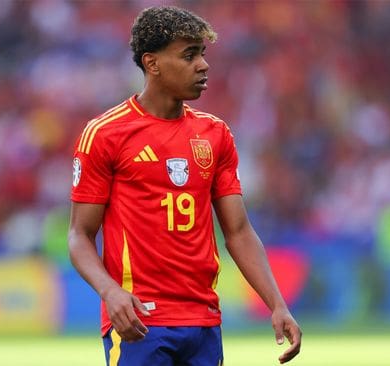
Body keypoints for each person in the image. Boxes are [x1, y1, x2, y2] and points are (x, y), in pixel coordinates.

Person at [68, 5, 302, 365]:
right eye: (189, 55)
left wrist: (276, 303)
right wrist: (110, 292)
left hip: (203, 321)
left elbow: (238, 231)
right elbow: (80, 235)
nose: (203, 65)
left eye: (202, 54)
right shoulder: (105, 134)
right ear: (153, 63)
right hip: (139, 321)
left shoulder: (215, 134)